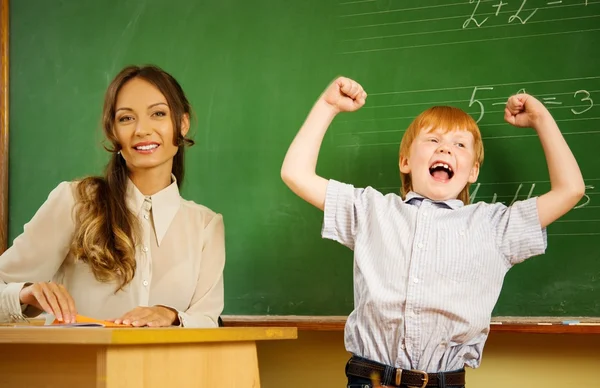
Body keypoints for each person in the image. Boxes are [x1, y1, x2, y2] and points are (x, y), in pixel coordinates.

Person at [281, 77, 585, 387]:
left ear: (473, 171)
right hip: (369, 378)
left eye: (460, 144)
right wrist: (328, 106)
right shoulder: (370, 210)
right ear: (406, 161)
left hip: (444, 381)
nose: (445, 148)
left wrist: (542, 120)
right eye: (432, 140)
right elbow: (295, 173)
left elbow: (570, 190)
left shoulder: (495, 226)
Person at [0, 65, 225, 328]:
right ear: (113, 131)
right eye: (126, 118)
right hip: (80, 367)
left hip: (171, 369)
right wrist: (24, 295)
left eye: (158, 114)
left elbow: (207, 320)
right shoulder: (76, 202)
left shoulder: (205, 226)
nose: (142, 129)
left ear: (182, 124)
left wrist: (172, 315)